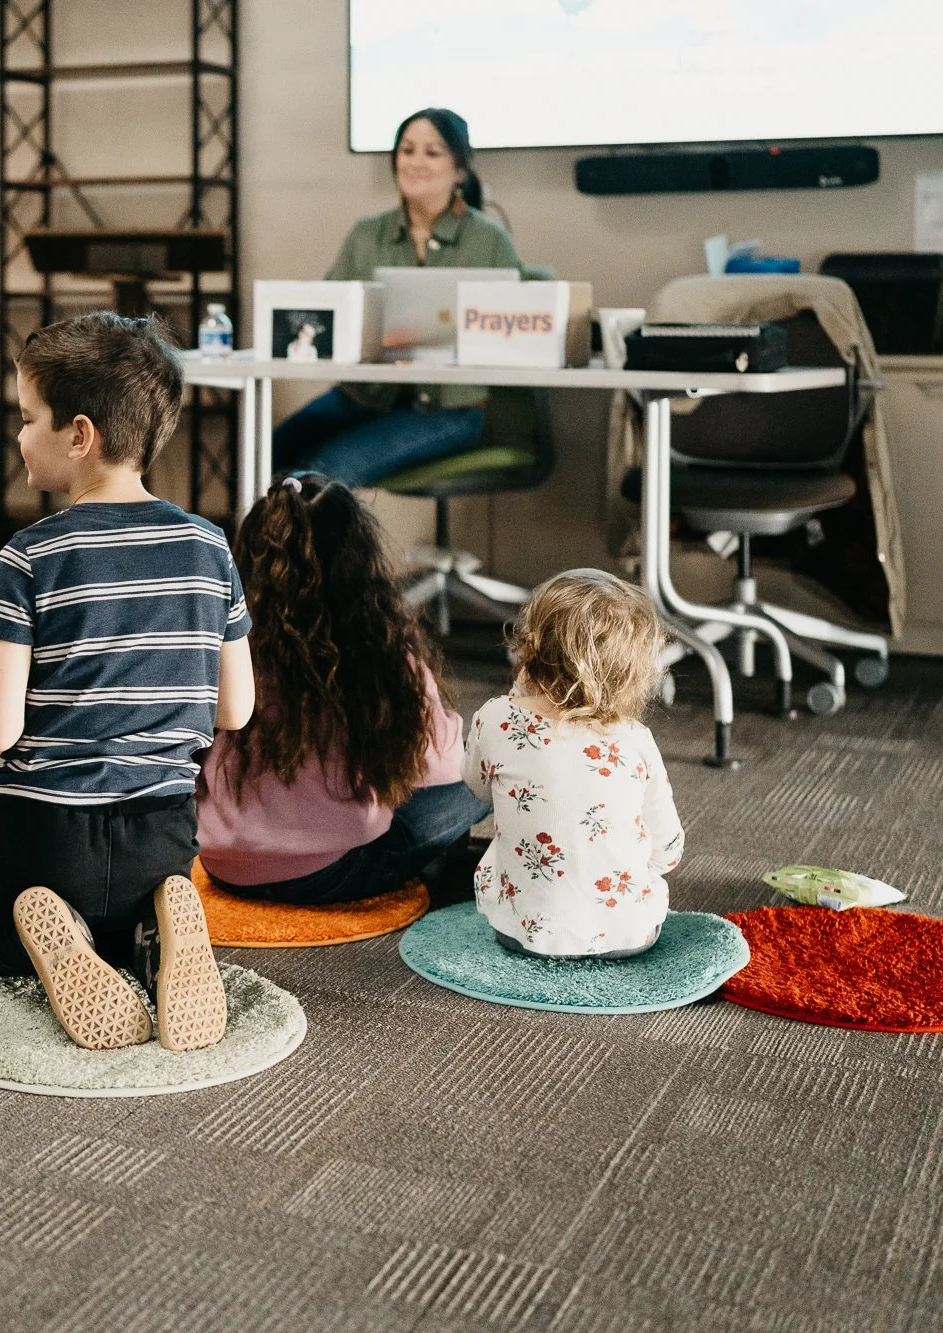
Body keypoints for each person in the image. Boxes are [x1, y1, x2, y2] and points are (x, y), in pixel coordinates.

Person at [0, 313, 254, 1053]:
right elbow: (237, 707)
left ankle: (51, 918)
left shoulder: (29, 556)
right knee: (130, 932)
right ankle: (155, 926)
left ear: (80, 435)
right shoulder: (209, 546)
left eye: (29, 419)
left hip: (46, 832)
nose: (19, 435)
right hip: (160, 827)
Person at [198, 474, 490, 903]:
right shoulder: (377, 653)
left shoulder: (221, 647)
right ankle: (445, 874)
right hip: (333, 873)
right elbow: (441, 768)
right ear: (357, 559)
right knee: (483, 775)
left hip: (223, 864)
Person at [272, 107, 541, 486]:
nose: (415, 162)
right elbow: (327, 318)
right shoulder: (367, 234)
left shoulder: (488, 240)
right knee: (266, 454)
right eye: (407, 150)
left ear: (460, 169)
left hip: (450, 409)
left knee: (319, 475)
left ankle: (306, 547)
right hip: (364, 397)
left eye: (432, 153)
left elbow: (513, 337)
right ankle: (239, 547)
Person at [461, 570, 684, 958]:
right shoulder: (634, 740)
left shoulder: (494, 720)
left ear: (528, 650)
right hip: (630, 937)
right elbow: (668, 852)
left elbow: (476, 788)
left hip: (521, 935)